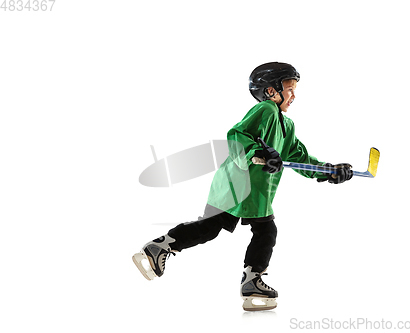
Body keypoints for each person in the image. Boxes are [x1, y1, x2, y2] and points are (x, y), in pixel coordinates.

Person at [132, 62, 353, 311]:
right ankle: (243, 277)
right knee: (222, 228)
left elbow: (299, 158)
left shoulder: (287, 126)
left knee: (250, 231)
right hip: (235, 186)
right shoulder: (266, 110)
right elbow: (236, 134)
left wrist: (328, 170)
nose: (294, 95)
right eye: (289, 89)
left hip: (256, 194)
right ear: (271, 92)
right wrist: (258, 150)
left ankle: (246, 279)